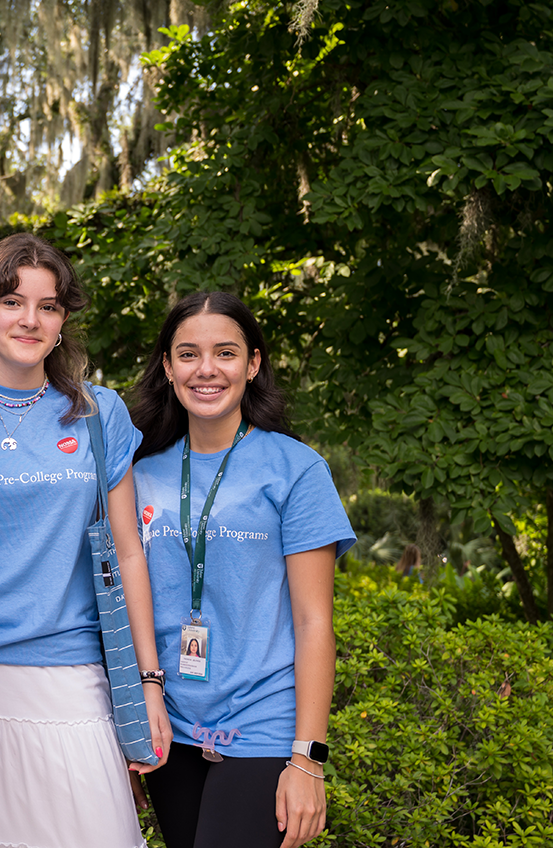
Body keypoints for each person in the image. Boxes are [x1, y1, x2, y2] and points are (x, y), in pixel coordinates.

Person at [0, 232, 172, 848]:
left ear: (64, 320)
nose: (30, 319)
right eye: (13, 301)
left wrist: (149, 683)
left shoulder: (99, 413)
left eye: (48, 306)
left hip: (77, 681)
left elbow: (128, 553)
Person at [129, 292, 356, 848]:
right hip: (169, 729)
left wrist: (308, 761)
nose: (206, 369)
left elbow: (314, 623)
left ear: (253, 364)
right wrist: (131, 724)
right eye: (188, 354)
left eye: (225, 353)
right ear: (167, 366)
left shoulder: (295, 469)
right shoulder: (138, 472)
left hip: (264, 727)